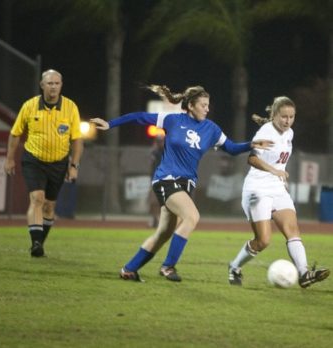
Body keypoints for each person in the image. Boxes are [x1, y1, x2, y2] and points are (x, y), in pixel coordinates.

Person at [90, 85, 273, 282]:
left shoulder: (211, 129)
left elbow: (231, 148)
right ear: (191, 105)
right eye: (203, 105)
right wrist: (110, 124)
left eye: (208, 105)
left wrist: (251, 144)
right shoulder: (173, 120)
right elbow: (139, 116)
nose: (207, 109)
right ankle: (168, 267)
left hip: (186, 185)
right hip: (166, 179)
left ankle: (129, 269)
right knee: (192, 216)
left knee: (163, 233)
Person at [228, 96, 330, 288]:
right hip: (257, 189)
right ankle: (234, 266)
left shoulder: (289, 133)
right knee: (263, 241)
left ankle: (304, 273)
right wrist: (275, 171)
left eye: (292, 117)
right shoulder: (265, 132)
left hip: (277, 188)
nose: (288, 121)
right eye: (284, 116)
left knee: (292, 230)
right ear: (274, 115)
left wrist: (278, 177)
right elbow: (252, 159)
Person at [4, 69, 83, 257]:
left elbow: (77, 141)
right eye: (49, 83)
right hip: (34, 160)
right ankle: (36, 243)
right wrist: (9, 159)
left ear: (61, 85)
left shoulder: (70, 107)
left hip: (59, 163)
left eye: (56, 83)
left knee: (49, 206)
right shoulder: (29, 106)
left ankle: (40, 242)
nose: (53, 87)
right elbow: (15, 134)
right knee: (37, 198)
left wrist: (74, 166)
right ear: (42, 85)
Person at [147, 135, 164, 227]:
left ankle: (161, 220)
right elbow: (151, 162)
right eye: (158, 141)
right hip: (155, 179)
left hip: (165, 180)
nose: (160, 143)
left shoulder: (167, 152)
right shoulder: (155, 152)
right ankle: (154, 218)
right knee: (153, 201)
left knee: (164, 202)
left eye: (161, 141)